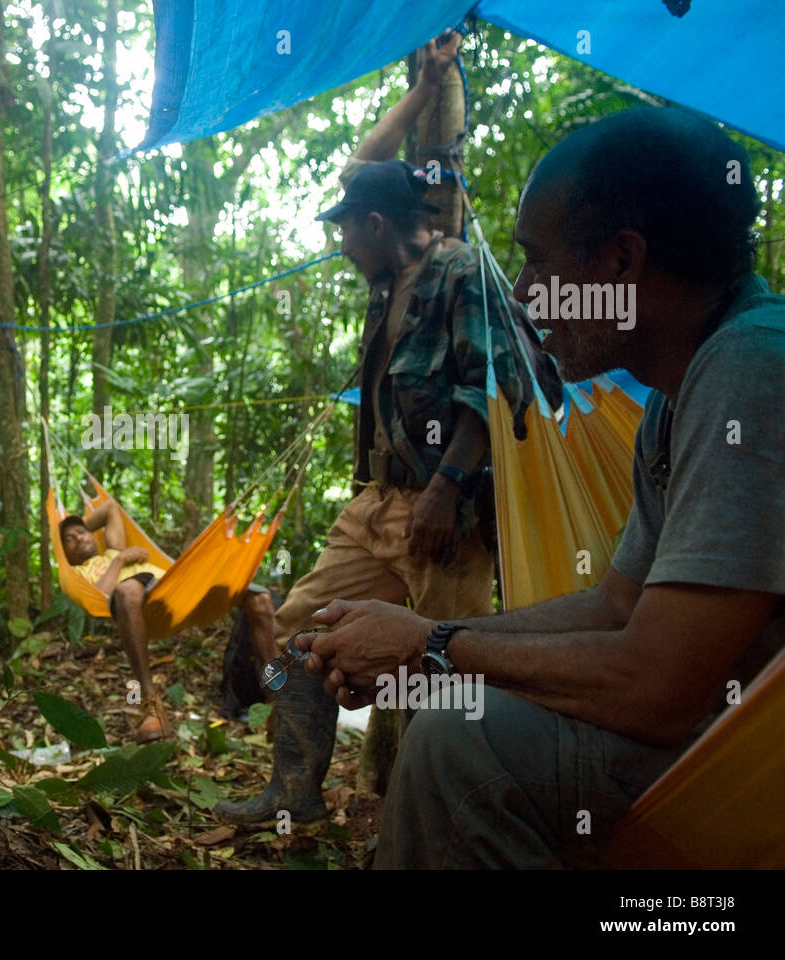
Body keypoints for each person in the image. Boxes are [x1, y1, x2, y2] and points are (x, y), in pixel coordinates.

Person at [296, 105, 784, 868]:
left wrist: (432, 647)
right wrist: (421, 647)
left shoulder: (750, 372)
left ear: (622, 263)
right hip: (724, 735)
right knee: (461, 705)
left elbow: (659, 685)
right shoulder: (675, 397)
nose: (523, 293)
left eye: (538, 261)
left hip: (748, 767)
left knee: (462, 746)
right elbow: (614, 606)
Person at [215, 32, 544, 827]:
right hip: (377, 502)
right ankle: (294, 794)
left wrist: (446, 490)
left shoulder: (459, 268)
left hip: (448, 513)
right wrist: (423, 83)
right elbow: (362, 162)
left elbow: (492, 386)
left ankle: (427, 819)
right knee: (299, 629)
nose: (338, 244)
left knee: (437, 663)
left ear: (372, 224)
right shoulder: (384, 274)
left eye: (343, 229)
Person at [60, 501, 277, 742]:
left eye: (81, 532)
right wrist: (120, 560)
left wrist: (79, 529)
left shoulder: (112, 548)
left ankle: (278, 701)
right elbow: (99, 598)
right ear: (63, 552)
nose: (79, 538)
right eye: (69, 539)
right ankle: (150, 703)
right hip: (143, 600)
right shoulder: (76, 574)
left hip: (174, 587)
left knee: (260, 598)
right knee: (126, 591)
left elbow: (110, 508)